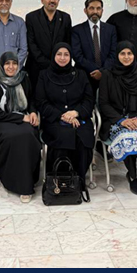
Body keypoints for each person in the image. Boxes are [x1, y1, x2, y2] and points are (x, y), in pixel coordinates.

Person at [98, 42, 137, 197]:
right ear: (117, 55)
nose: (126, 57)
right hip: (117, 119)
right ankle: (132, 175)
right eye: (122, 54)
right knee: (126, 136)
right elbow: (104, 104)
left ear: (134, 55)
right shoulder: (108, 75)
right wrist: (121, 121)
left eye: (129, 53)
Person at [35, 43, 95, 199]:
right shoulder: (44, 75)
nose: (62, 58)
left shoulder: (80, 75)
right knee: (62, 136)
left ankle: (78, 181)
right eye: (59, 54)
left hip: (79, 119)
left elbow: (89, 99)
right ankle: (59, 181)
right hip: (54, 120)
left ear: (71, 57)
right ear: (53, 56)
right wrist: (62, 115)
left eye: (66, 54)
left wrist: (76, 112)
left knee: (82, 137)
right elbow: (41, 102)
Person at [0, 51, 41, 203]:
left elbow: (31, 100)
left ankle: (27, 179)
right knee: (14, 136)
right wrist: (21, 118)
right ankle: (13, 180)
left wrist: (33, 112)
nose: (11, 67)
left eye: (14, 63)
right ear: (2, 66)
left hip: (21, 119)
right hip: (0, 121)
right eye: (7, 63)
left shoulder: (24, 79)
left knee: (28, 134)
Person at [25, 0, 73, 91]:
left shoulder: (65, 18)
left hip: (59, 68)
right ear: (42, 0)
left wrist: (59, 62)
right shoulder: (31, 17)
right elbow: (31, 44)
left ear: (58, 1)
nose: (52, 0)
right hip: (36, 68)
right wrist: (48, 63)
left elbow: (67, 42)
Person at [71, 0, 117, 96]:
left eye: (98, 8)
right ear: (85, 10)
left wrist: (102, 72)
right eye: (91, 8)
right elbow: (77, 55)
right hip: (84, 76)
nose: (95, 11)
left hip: (107, 76)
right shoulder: (76, 30)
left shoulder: (111, 29)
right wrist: (95, 70)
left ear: (102, 11)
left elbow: (113, 54)